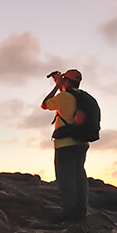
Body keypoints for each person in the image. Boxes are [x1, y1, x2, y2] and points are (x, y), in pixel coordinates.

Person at [41, 69, 89, 221]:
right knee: (79, 176)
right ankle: (81, 212)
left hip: (64, 145)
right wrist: (61, 85)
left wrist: (56, 87)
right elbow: (68, 96)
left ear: (67, 81)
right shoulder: (82, 97)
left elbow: (44, 104)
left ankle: (69, 213)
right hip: (81, 143)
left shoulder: (63, 97)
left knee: (65, 179)